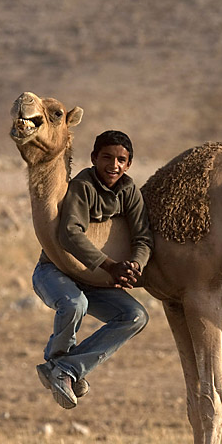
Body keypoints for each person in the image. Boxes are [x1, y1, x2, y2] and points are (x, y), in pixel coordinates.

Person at [32, 130, 153, 409]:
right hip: (56, 271)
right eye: (107, 157)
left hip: (95, 280)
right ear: (94, 158)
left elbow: (143, 237)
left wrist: (135, 265)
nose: (114, 165)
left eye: (121, 160)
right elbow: (69, 234)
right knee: (76, 305)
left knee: (135, 316)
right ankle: (62, 367)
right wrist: (110, 266)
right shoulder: (83, 186)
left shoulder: (129, 192)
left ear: (129, 164)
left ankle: (66, 368)